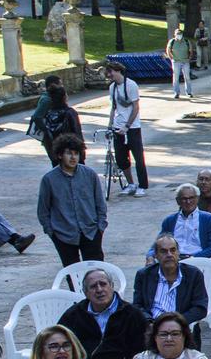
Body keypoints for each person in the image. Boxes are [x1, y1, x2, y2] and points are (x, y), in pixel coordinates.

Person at [59, 265, 147, 359]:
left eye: (103, 284)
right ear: (85, 293)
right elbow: (60, 343)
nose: (99, 290)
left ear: (111, 286)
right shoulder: (74, 314)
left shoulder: (132, 314)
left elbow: (140, 355)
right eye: (93, 286)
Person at [36, 134, 109, 266]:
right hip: (63, 234)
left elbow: (100, 203)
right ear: (59, 155)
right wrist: (51, 232)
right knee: (72, 273)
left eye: (76, 154)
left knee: (96, 271)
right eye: (69, 154)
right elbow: (43, 210)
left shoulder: (90, 175)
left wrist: (101, 226)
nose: (73, 157)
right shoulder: (49, 179)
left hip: (91, 231)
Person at [135, 234, 210, 349]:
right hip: (152, 328)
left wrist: (176, 323)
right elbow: (137, 305)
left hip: (182, 327)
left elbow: (200, 308)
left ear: (178, 253)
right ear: (156, 255)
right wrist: (150, 323)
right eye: (163, 251)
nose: (169, 255)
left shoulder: (193, 275)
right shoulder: (144, 275)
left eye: (173, 250)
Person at [106, 59, 147, 196]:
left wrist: (127, 125)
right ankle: (131, 183)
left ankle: (142, 185)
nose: (109, 76)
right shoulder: (112, 88)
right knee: (121, 158)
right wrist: (110, 125)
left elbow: (136, 107)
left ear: (118, 71)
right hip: (118, 127)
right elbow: (113, 108)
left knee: (138, 158)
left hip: (132, 128)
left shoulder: (131, 85)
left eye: (111, 72)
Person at [28, 77, 83, 164]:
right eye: (60, 84)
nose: (62, 86)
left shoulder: (50, 101)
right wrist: (47, 132)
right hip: (55, 140)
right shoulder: (47, 100)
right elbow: (36, 117)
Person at [165, 25, 194, 99]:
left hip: (185, 61)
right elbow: (168, 50)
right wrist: (171, 58)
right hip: (176, 61)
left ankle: (189, 92)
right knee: (176, 78)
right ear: (175, 35)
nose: (179, 35)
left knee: (187, 77)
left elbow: (190, 50)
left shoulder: (187, 41)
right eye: (177, 34)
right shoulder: (172, 42)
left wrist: (190, 57)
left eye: (180, 34)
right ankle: (176, 93)